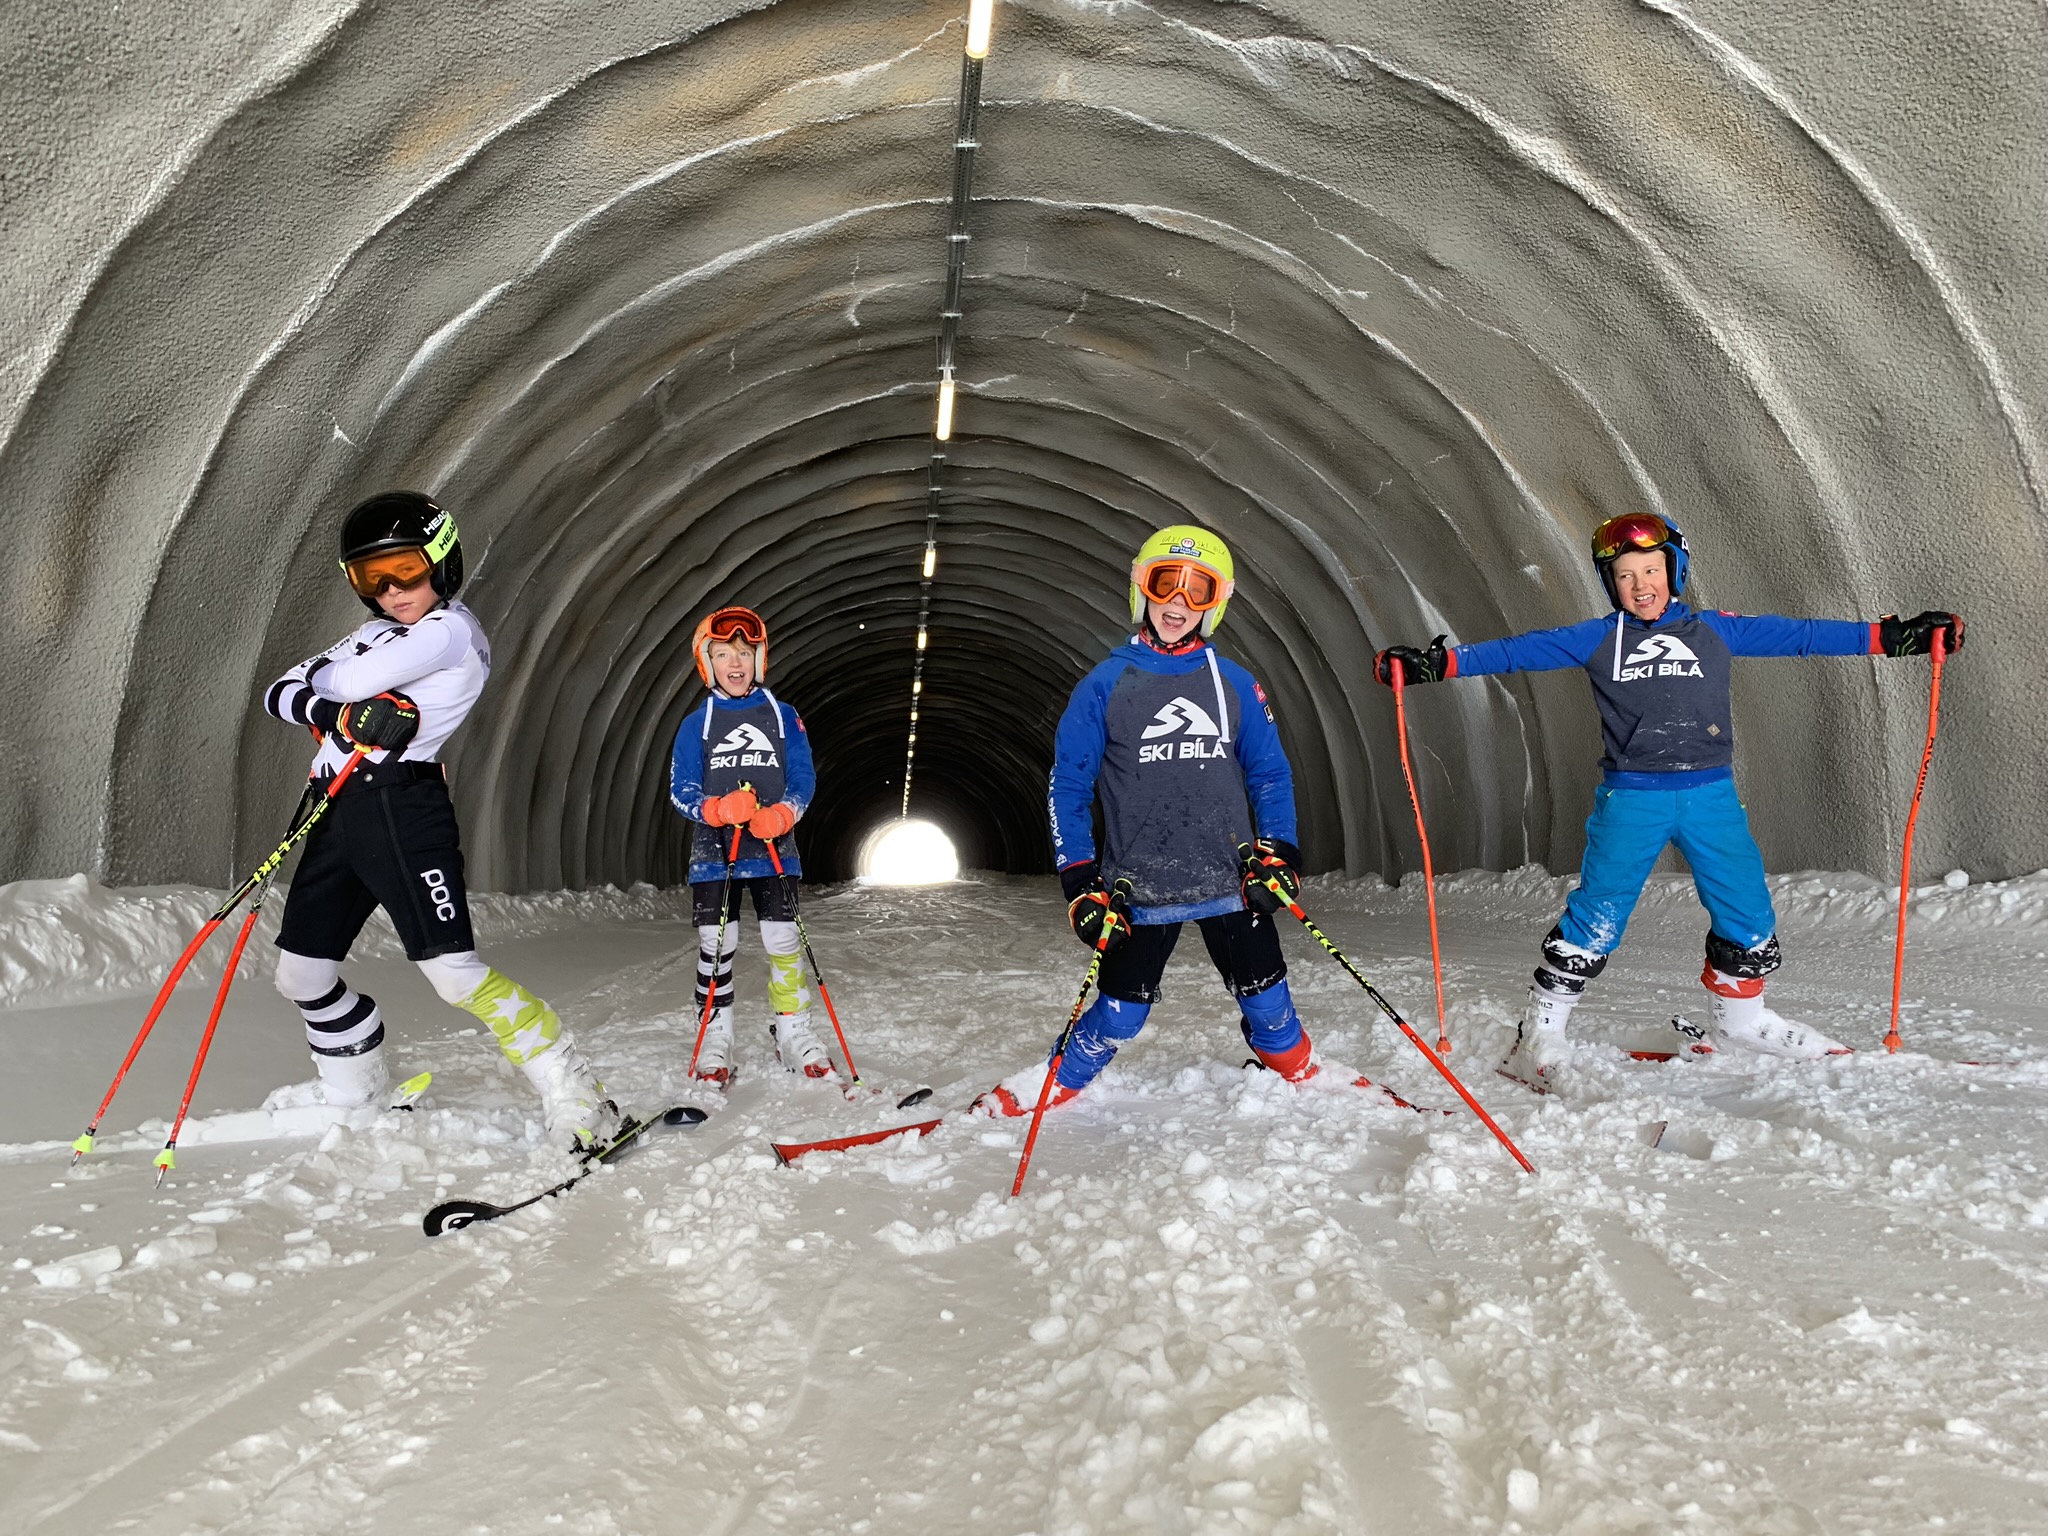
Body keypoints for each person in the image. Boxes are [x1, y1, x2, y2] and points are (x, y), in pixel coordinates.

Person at [1375, 511, 1964, 1087]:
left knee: (1746, 905)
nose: (1640, 585)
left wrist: (1893, 638)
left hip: (1710, 795)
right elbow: (1516, 652)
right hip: (1633, 799)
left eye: (1651, 570)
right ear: (1611, 584)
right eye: (1625, 575)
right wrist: (1436, 664)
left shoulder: (1714, 630)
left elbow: (1802, 635)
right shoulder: (1600, 638)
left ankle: (1742, 1022)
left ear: (1674, 570)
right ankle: (1542, 1031)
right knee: (1600, 911)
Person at [263, 491, 621, 1150]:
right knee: (300, 974)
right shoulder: (375, 633)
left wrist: (329, 688)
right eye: (372, 577)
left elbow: (334, 682)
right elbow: (277, 691)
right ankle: (354, 1088)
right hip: (338, 807)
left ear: (443, 561)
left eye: (407, 570)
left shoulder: (451, 630)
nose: (393, 591)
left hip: (402, 806)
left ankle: (575, 1090)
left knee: (452, 972)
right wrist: (334, 709)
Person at [975, 525, 1322, 1116]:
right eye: (1166, 584)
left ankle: (1299, 1067)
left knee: (1269, 1003)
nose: (1178, 603)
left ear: (1215, 603)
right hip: (1139, 884)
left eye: (1197, 590)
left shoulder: (1234, 683)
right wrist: (1079, 882)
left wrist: (1279, 853)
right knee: (1120, 1014)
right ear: (1142, 589)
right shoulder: (1104, 685)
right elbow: (1068, 787)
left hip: (1230, 878)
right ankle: (1056, 1080)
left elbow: (1270, 774)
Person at [667, 605, 824, 1084]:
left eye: (744, 652)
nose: (734, 662)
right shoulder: (696, 724)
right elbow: (681, 789)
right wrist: (715, 810)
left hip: (774, 848)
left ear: (760, 658)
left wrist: (786, 812)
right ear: (706, 662)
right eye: (722, 654)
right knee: (717, 944)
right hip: (715, 855)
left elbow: (803, 776)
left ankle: (793, 1030)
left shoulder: (783, 717)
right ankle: (716, 1036)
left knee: (783, 940)